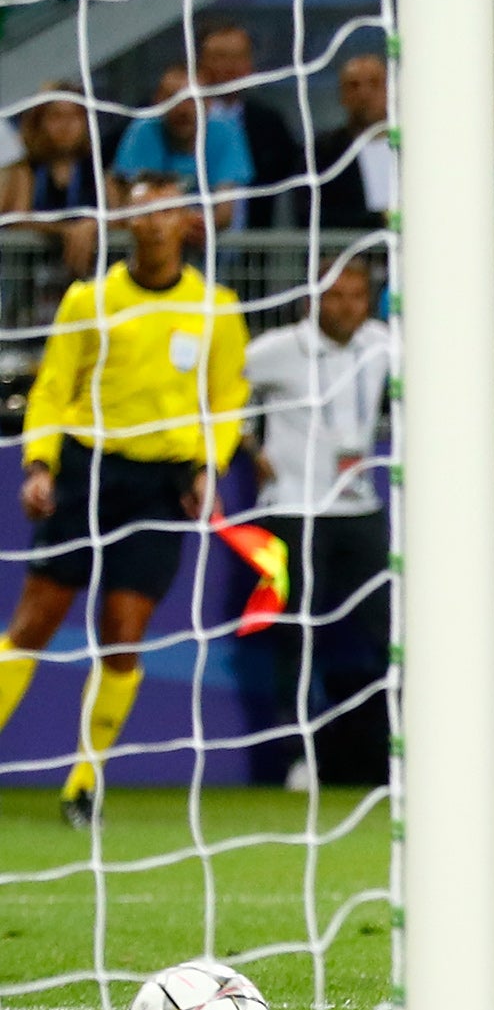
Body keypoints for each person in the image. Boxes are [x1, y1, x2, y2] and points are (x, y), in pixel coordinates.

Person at [0, 174, 248, 826]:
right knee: (34, 621)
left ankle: (83, 783)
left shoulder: (215, 307)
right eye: (146, 213)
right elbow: (53, 388)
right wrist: (39, 463)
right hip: (87, 470)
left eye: (170, 212)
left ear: (187, 224)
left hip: (160, 485)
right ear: (127, 223)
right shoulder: (91, 300)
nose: (159, 223)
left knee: (123, 632)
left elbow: (226, 400)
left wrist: (208, 465)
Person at [240, 255, 392, 786]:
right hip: (294, 510)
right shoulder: (277, 350)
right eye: (335, 295)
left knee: (389, 631)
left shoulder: (383, 344)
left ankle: (393, 749)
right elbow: (220, 388)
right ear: (312, 299)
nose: (347, 306)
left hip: (361, 508)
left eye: (356, 295)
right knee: (296, 635)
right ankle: (296, 758)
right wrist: (245, 442)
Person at [112, 66, 253, 231]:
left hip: (213, 247)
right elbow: (136, 206)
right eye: (173, 97)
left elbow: (224, 215)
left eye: (191, 99)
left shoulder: (226, 132)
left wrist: (178, 224)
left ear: (208, 104)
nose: (182, 109)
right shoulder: (143, 131)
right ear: (157, 101)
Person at [0, 82, 105, 302]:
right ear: (39, 122)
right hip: (28, 291)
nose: (66, 125)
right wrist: (64, 231)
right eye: (56, 116)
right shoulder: (24, 169)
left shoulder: (96, 171)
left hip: (84, 288)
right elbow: (16, 219)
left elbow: (120, 216)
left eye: (75, 116)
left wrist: (92, 225)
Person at [196, 21, 300, 229]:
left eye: (238, 57)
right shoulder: (177, 116)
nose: (230, 67)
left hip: (254, 251)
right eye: (221, 57)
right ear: (201, 64)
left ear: (250, 65)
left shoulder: (270, 123)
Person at [304, 55, 390, 232]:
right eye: (354, 86)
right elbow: (312, 215)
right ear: (342, 95)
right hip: (350, 255)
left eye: (374, 84)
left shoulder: (418, 150)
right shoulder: (323, 152)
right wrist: (380, 219)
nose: (364, 94)